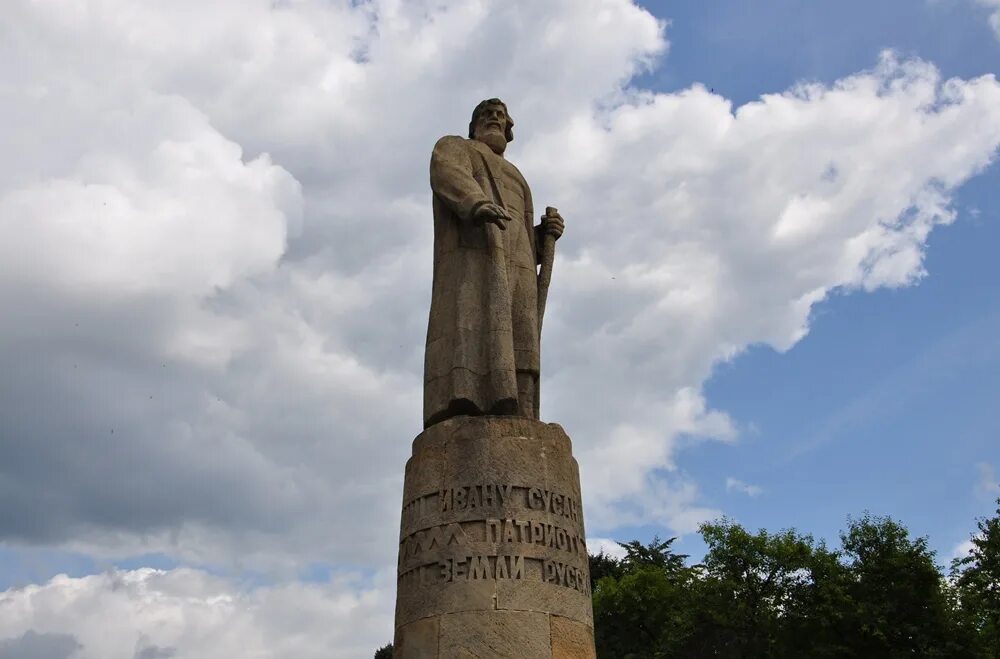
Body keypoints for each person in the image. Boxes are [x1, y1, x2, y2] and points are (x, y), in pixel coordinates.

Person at [423, 98, 564, 428]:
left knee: (522, 338)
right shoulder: (456, 146)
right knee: (475, 330)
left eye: (501, 116)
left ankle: (524, 413)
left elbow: (518, 236)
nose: (495, 120)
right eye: (486, 115)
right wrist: (475, 203)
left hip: (519, 269)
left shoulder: (516, 175)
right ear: (473, 126)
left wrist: (542, 237)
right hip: (477, 258)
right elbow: (447, 171)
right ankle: (470, 406)